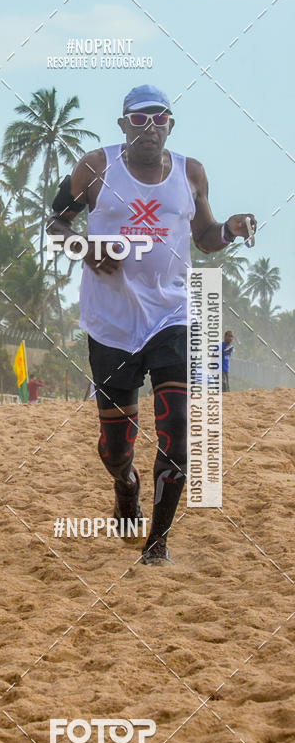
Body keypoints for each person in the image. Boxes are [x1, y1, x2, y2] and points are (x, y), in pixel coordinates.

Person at [47, 84, 256, 565]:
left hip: (173, 316)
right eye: (139, 119)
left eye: (159, 118)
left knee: (177, 432)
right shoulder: (95, 167)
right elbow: (56, 223)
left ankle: (157, 543)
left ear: (170, 125)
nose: (149, 127)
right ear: (123, 125)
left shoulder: (190, 172)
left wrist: (230, 229)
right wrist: (85, 248)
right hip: (111, 323)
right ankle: (126, 484)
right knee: (115, 449)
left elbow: (204, 238)